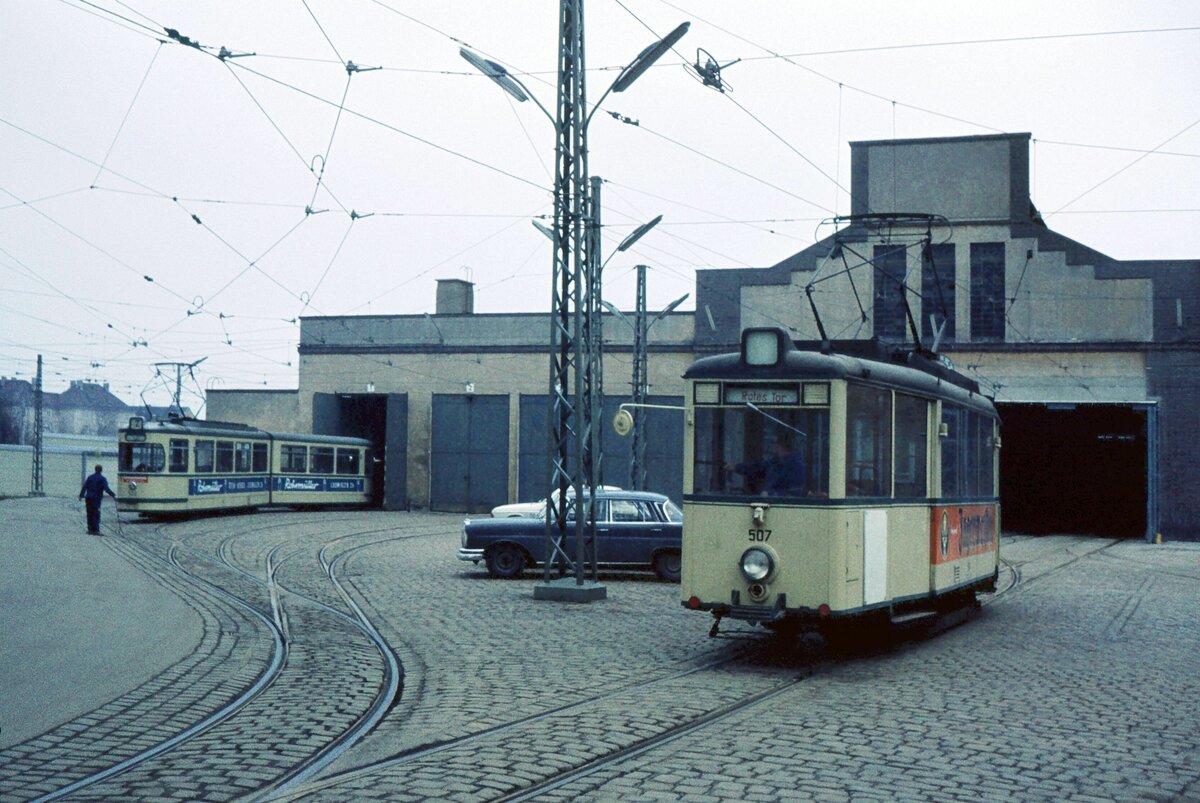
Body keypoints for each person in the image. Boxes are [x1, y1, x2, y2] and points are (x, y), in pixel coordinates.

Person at [727, 440, 807, 496]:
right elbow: (756, 468)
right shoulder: (774, 463)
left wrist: (771, 494)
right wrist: (736, 468)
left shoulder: (797, 466)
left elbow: (796, 492)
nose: (775, 449)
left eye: (776, 446)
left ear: (781, 447)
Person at [79, 464, 117, 535]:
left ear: (95, 469)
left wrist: (81, 495)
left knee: (89, 513)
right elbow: (106, 489)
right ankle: (96, 530)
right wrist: (113, 495)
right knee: (96, 513)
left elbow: (85, 487)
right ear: (101, 470)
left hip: (88, 498)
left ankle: (90, 529)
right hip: (96, 498)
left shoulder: (90, 477)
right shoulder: (102, 479)